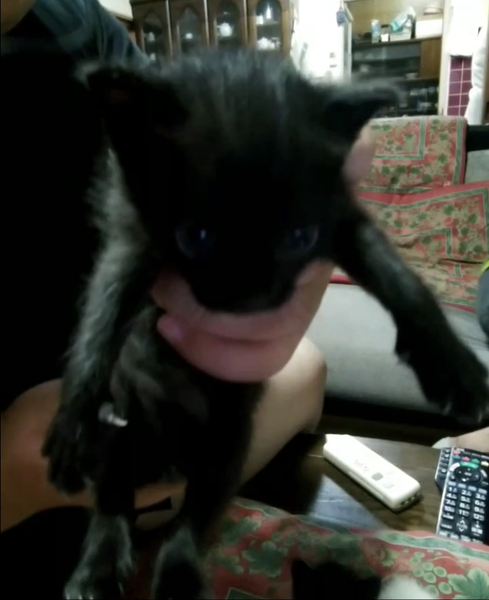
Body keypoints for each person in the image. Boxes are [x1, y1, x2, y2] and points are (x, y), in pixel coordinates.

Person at [0, 0, 379, 534]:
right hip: (50, 476)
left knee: (308, 368)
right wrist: (13, 473)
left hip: (116, 413)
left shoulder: (77, 26)